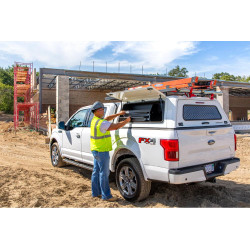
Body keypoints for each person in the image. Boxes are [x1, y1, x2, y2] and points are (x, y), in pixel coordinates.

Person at [90, 101, 131, 202]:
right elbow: (115, 126)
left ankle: (95, 193)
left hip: (96, 150)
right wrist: (127, 121)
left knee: (96, 172)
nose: (103, 111)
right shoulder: (101, 123)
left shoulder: (95, 120)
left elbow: (107, 119)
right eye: (102, 109)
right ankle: (106, 196)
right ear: (97, 111)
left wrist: (118, 114)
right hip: (102, 151)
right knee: (104, 173)